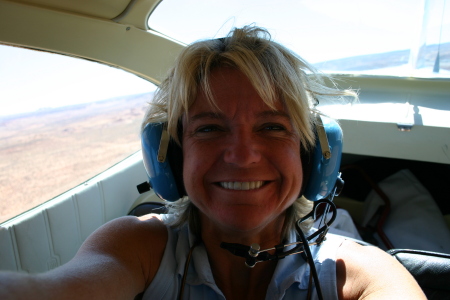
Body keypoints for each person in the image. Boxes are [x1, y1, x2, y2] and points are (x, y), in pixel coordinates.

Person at [0, 26, 426, 300]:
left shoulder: (358, 273)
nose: (241, 155)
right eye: (208, 129)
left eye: (273, 128)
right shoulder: (139, 248)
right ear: (173, 157)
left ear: (312, 153)